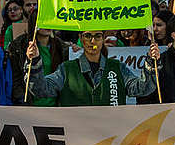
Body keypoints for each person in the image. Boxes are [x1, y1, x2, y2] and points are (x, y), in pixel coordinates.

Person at [27, 30, 159, 106]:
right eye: (88, 36)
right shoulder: (66, 69)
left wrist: (151, 64)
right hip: (76, 143)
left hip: (111, 142)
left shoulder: (117, 67)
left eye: (97, 36)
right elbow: (40, 90)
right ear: (81, 38)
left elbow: (142, 89)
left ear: (103, 39)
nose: (92, 41)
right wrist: (34, 63)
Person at [9, 21, 67, 106]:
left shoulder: (61, 47)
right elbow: (16, 78)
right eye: (43, 22)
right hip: (30, 105)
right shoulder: (19, 46)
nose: (47, 25)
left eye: (49, 20)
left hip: (54, 105)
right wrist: (21, 101)